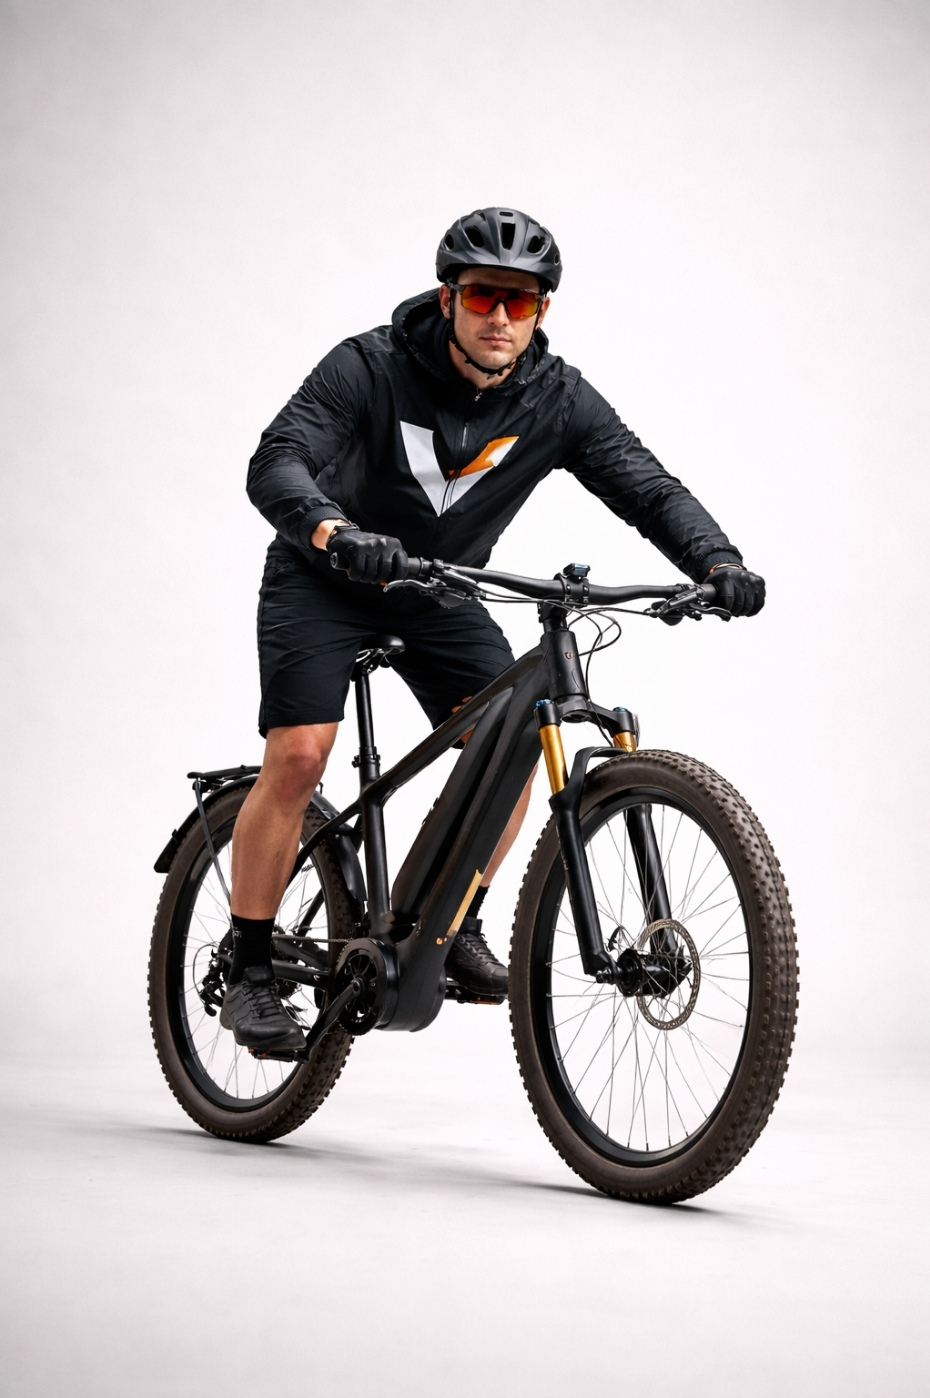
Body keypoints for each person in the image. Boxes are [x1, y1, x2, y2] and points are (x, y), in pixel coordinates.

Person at [221, 206, 765, 1053]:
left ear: (543, 310)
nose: (501, 317)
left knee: (510, 747)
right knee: (299, 755)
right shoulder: (367, 367)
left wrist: (717, 560)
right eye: (482, 296)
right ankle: (250, 967)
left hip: (440, 591)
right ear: (448, 299)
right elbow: (277, 460)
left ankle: (454, 922)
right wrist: (335, 532)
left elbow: (647, 487)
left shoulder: (557, 398)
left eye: (522, 301)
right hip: (325, 578)